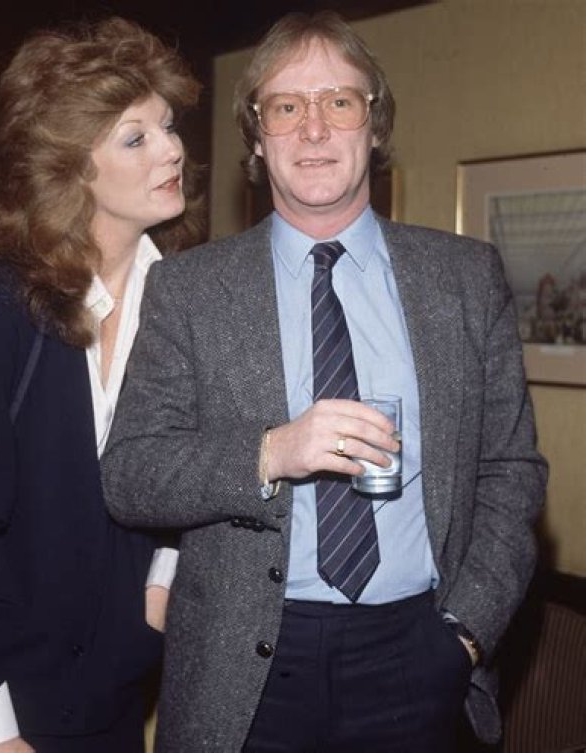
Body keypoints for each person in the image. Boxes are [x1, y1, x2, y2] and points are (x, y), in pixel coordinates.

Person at [100, 10, 548, 753]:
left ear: (374, 125)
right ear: (257, 136)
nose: (313, 128)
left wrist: (463, 635)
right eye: (285, 106)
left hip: (417, 652)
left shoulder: (465, 278)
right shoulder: (189, 289)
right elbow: (130, 474)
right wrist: (271, 451)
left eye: (339, 101)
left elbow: (511, 470)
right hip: (240, 673)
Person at [0, 16, 201, 753]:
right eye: (135, 138)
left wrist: (162, 579)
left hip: (112, 709)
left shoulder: (184, 300)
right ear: (68, 167)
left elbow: (190, 465)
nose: (172, 148)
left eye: (168, 125)